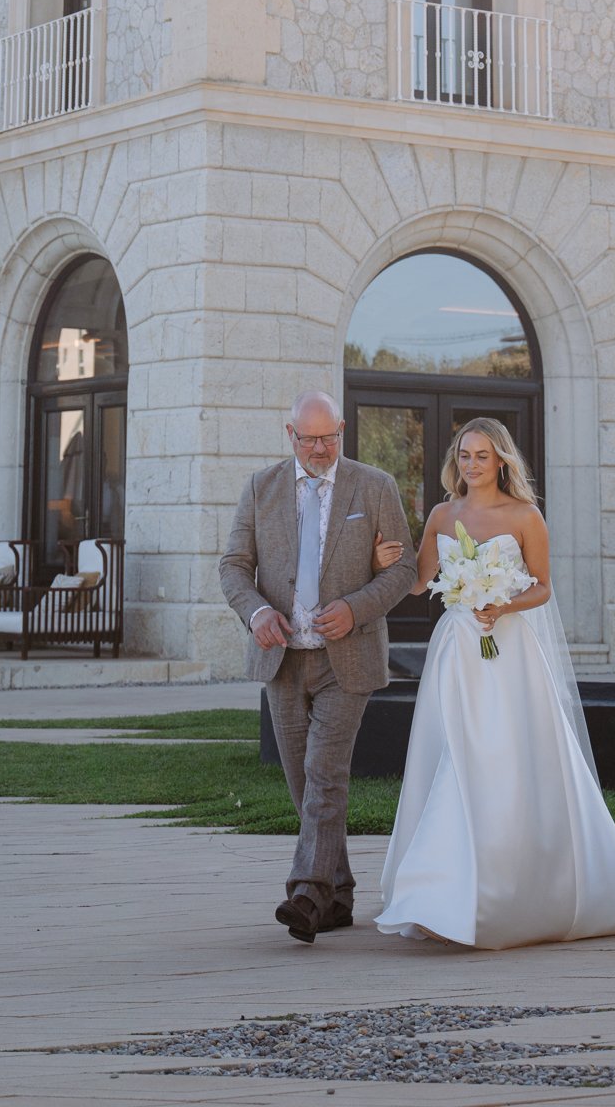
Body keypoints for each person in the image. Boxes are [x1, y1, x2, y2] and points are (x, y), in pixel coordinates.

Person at [373, 417, 615, 950]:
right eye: (464, 455)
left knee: (504, 758)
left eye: (482, 455)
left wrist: (501, 604)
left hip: (509, 654)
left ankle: (507, 891)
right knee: (453, 755)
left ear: (501, 460)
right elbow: (418, 581)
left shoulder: (525, 516)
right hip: (456, 651)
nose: (471, 465)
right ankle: (438, 895)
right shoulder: (441, 515)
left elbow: (543, 587)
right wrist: (383, 562)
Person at [219, 391, 416, 942]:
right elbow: (234, 566)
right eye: (310, 439)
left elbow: (403, 570)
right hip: (281, 658)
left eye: (330, 438)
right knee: (303, 783)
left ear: (342, 430)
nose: (321, 449)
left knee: (324, 775)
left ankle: (306, 893)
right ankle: (339, 895)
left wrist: (356, 608)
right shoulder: (260, 488)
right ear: (291, 435)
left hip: (346, 659)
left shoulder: (374, 486)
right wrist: (256, 612)